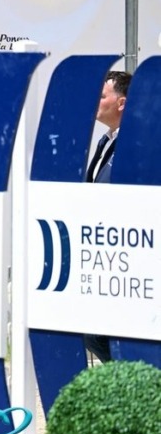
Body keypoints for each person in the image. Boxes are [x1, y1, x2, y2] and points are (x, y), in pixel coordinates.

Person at [83, 69, 132, 362]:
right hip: (102, 248)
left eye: (102, 96)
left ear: (122, 102)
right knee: (92, 331)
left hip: (126, 249)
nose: (94, 100)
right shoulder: (106, 140)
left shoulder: (138, 143)